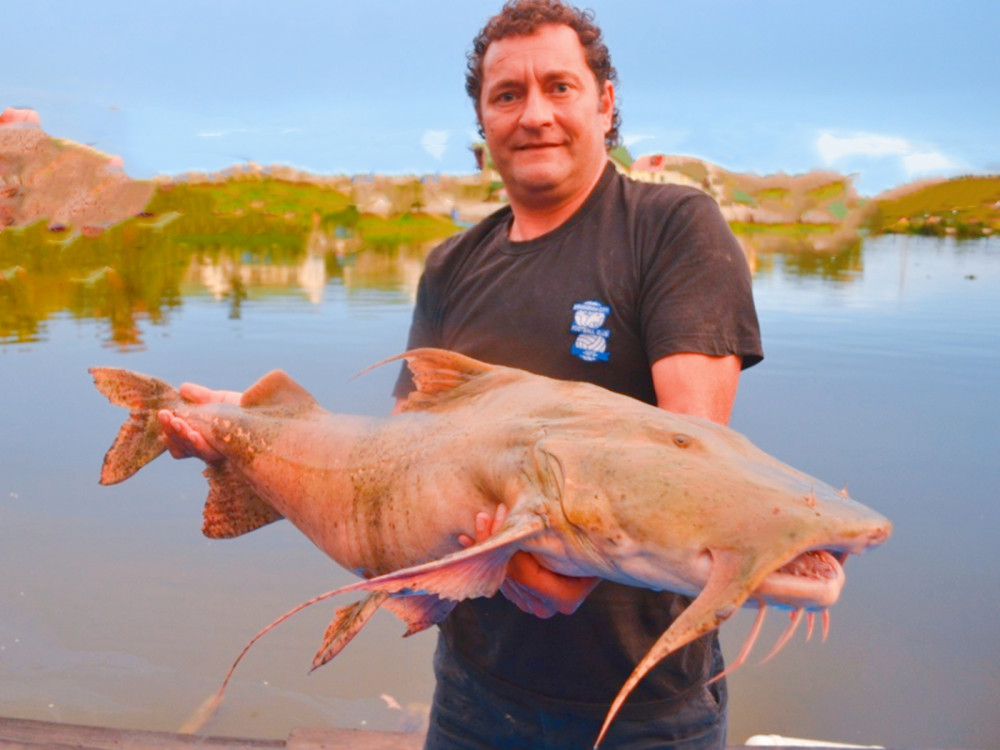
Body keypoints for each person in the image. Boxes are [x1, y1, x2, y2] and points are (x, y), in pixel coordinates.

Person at [160, 1, 762, 747]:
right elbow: (399, 458)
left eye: (560, 87)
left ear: (606, 104)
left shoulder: (674, 228)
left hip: (642, 706)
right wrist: (252, 429)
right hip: (475, 692)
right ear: (483, 122)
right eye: (507, 95)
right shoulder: (451, 265)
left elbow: (696, 464)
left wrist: (557, 560)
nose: (534, 113)